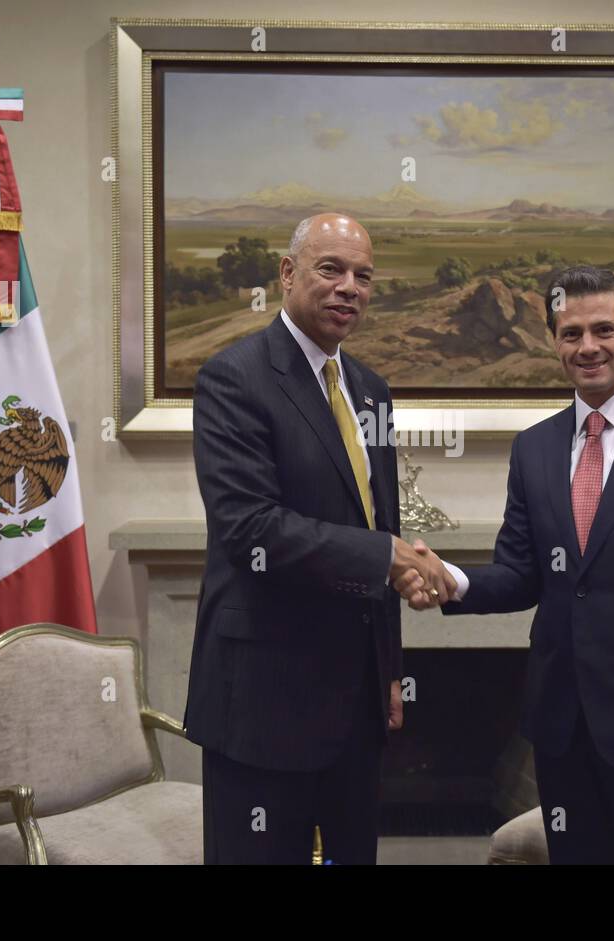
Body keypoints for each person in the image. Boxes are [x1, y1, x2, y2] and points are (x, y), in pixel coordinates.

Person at [397, 265, 614, 864]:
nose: (587, 347)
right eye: (570, 333)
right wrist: (448, 580)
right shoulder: (533, 447)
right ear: (554, 341)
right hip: (562, 727)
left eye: (603, 329)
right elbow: (520, 573)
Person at [185, 213, 454, 864]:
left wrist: (388, 668)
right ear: (287, 273)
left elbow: (378, 525)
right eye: (331, 269)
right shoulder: (233, 378)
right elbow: (250, 526)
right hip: (263, 702)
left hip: (356, 704)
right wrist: (386, 555)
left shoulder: (371, 390)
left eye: (364, 276)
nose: (349, 288)